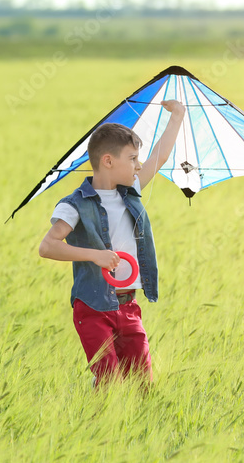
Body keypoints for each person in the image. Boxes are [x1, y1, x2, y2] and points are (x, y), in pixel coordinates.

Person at [38, 100, 186, 390]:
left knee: (143, 383)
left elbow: (159, 156)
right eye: (132, 158)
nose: (139, 165)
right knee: (109, 383)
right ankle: (98, 427)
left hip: (128, 305)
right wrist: (96, 256)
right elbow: (48, 246)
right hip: (92, 308)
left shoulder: (131, 191)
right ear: (108, 161)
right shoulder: (75, 205)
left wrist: (177, 116)